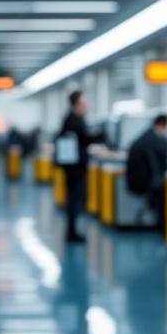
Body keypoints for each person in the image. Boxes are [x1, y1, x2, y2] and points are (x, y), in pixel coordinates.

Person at [58, 90, 105, 242]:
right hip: (75, 169)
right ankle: (72, 233)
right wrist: (101, 135)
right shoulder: (75, 120)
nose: (86, 106)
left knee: (74, 199)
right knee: (75, 200)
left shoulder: (70, 119)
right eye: (84, 103)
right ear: (76, 104)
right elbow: (85, 138)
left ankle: (72, 231)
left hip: (72, 167)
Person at [126, 114, 167, 224]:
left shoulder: (146, 136)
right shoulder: (156, 140)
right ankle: (165, 222)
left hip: (137, 180)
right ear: (161, 125)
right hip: (145, 182)